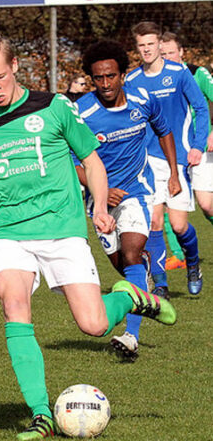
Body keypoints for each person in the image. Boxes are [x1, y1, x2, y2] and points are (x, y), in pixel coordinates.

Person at [0, 33, 176, 441]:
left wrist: (99, 207)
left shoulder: (54, 106)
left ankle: (130, 297)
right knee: (14, 303)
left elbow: (91, 160)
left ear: (14, 67)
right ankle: (41, 414)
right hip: (8, 232)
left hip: (62, 229)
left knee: (95, 324)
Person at [74, 40, 179, 361]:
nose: (105, 84)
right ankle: (144, 282)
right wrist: (101, 191)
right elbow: (71, 162)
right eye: (98, 78)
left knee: (132, 255)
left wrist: (174, 172)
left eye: (111, 76)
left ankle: (131, 336)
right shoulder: (83, 112)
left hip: (137, 191)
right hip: (100, 203)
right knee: (124, 269)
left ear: (123, 74)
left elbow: (164, 131)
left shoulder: (142, 99)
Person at [126, 22, 210, 298]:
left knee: (179, 225)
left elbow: (200, 107)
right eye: (142, 45)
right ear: (137, 48)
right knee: (154, 223)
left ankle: (193, 263)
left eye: (151, 44)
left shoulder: (179, 72)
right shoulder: (132, 80)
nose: (147, 49)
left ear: (160, 45)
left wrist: (198, 146)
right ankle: (160, 283)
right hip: (148, 159)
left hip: (180, 159)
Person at [159, 32, 213, 270]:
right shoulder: (157, 79)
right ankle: (179, 255)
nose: (167, 57)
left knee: (207, 205)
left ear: (181, 52)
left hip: (199, 147)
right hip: (172, 151)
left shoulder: (197, 73)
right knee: (168, 202)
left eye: (171, 52)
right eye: (163, 54)